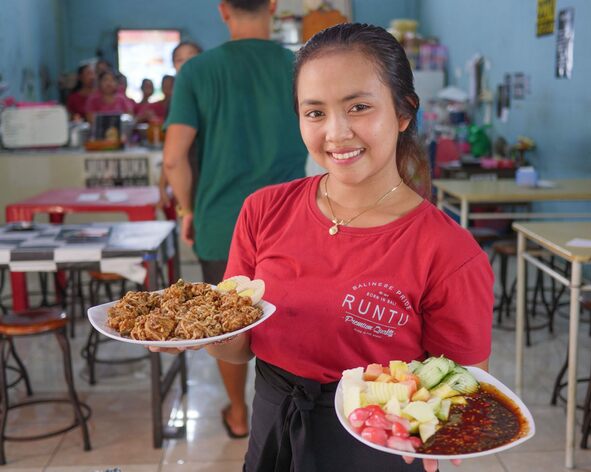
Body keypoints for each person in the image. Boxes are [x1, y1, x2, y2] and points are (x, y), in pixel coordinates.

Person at [158, 23, 492, 472]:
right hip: (274, 429)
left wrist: (440, 428)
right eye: (314, 113)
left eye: (359, 107)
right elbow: (239, 348)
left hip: (376, 445)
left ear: (404, 112)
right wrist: (198, 334)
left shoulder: (449, 252)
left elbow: (463, 389)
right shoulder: (263, 211)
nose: (336, 133)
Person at [163, 0, 307, 439]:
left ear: (223, 9)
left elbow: (173, 159)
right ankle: (287, 414)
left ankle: (240, 416)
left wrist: (188, 210)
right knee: (286, 318)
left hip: (220, 220)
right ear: (273, 6)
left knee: (225, 324)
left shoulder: (197, 72)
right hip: (292, 220)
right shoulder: (301, 66)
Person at [158, 42, 203, 209]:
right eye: (179, 60)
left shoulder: (213, 93)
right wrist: (162, 185)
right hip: (189, 176)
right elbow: (172, 152)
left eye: (191, 58)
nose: (186, 64)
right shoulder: (176, 100)